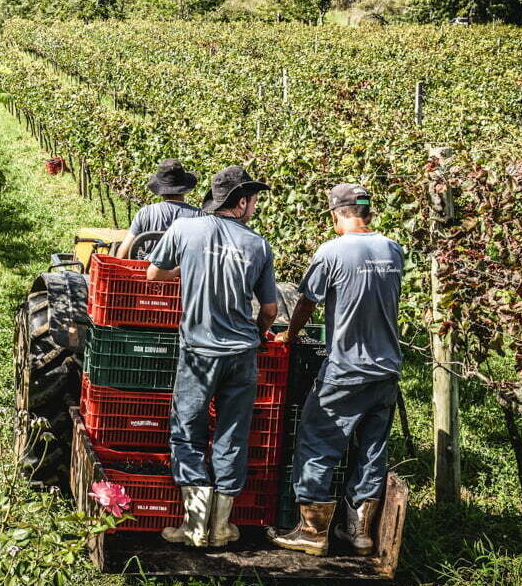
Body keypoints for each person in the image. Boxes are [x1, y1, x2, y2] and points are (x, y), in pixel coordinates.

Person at [270, 183, 404, 557]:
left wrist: (290, 335)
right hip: (387, 369)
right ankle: (358, 533)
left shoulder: (331, 252)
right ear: (369, 213)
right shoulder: (392, 249)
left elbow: (306, 302)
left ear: (336, 214)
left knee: (318, 441)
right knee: (372, 449)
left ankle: (312, 533)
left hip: (346, 368)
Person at [146, 166, 278, 548]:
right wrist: (256, 334)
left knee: (188, 431)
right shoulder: (258, 245)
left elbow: (155, 274)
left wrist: (189, 270)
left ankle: (194, 526)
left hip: (199, 352)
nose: (254, 206)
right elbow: (268, 310)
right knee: (232, 433)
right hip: (242, 354)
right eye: (252, 200)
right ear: (240, 202)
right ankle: (221, 527)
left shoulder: (187, 229)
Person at [115, 159, 201, 259]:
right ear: (185, 188)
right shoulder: (198, 216)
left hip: (146, 272)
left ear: (160, 188)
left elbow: (122, 254)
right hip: (184, 273)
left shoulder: (146, 213)